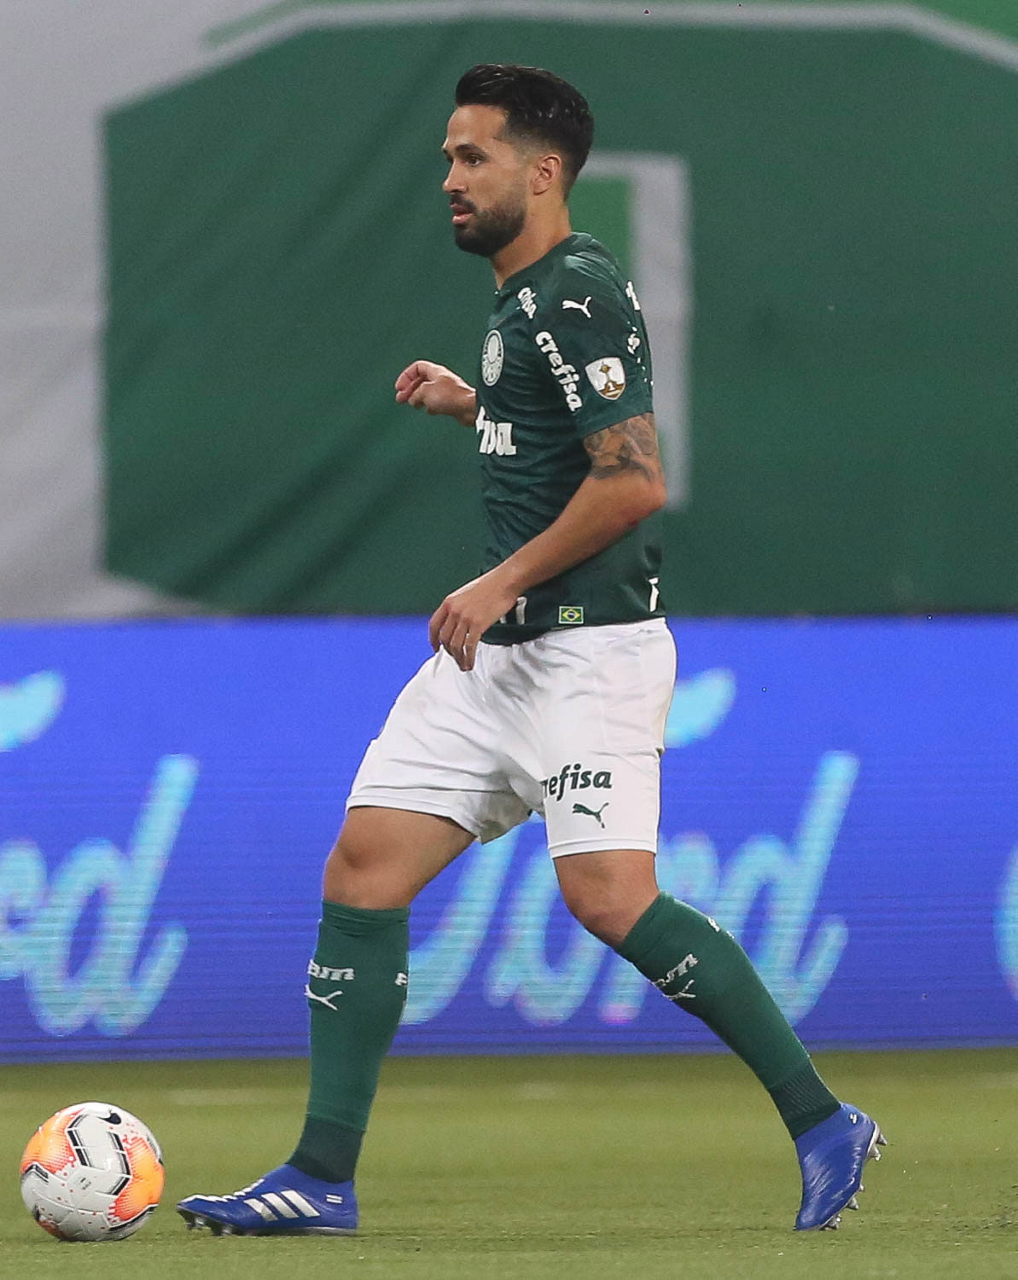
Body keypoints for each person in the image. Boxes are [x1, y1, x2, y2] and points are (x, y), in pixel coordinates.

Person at [178, 62, 882, 1238]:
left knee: (608, 898)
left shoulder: (574, 293)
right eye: (448, 158)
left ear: (543, 171)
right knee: (363, 868)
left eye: (473, 157)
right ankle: (320, 1175)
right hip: (497, 664)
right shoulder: (523, 302)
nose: (449, 179)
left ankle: (823, 1120)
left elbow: (634, 479)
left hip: (588, 655)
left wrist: (496, 576)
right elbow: (565, 441)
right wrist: (480, 407)